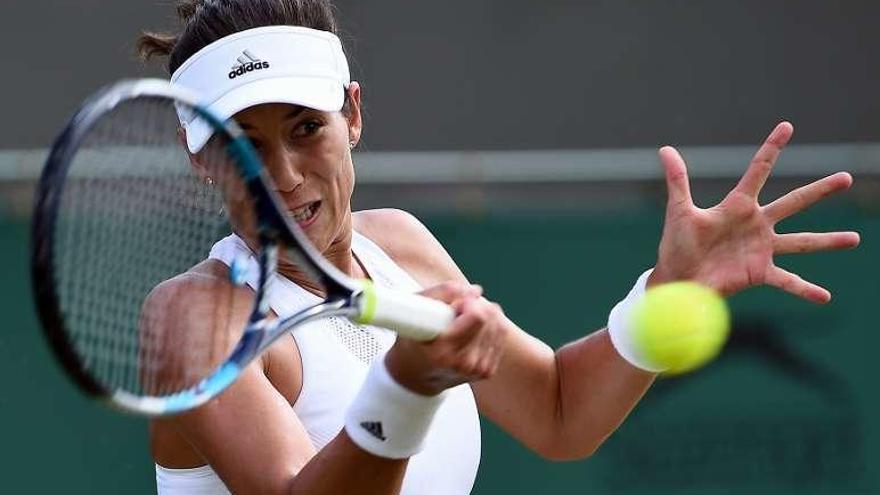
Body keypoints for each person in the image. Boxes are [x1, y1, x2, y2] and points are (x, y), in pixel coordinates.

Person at [138, 1, 861, 493]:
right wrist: (405, 386)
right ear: (199, 155)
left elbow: (557, 410)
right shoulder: (194, 320)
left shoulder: (403, 248)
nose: (284, 176)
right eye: (243, 147)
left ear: (352, 114)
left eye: (305, 128)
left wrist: (666, 292)